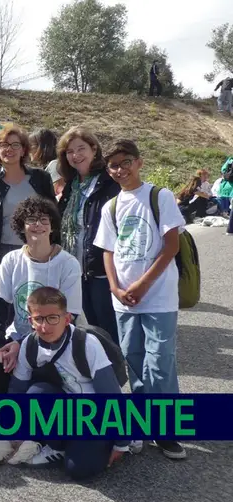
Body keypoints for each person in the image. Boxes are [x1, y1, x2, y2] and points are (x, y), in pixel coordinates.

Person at [93, 139, 187, 460]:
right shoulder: (112, 207)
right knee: (134, 361)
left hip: (158, 296)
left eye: (125, 162)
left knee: (160, 361)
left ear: (139, 162)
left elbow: (171, 246)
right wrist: (115, 289)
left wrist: (143, 285)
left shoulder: (159, 197)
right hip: (124, 299)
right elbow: (108, 250)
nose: (120, 169)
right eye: (113, 165)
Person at [8, 287, 129, 479]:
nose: (45, 327)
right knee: (36, 393)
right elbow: (17, 389)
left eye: (52, 318)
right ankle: (57, 445)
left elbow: (111, 394)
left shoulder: (86, 344)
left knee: (79, 470)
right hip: (66, 409)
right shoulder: (29, 345)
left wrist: (121, 442)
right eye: (39, 319)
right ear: (31, 321)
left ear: (66, 319)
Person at [0, 197, 83, 393]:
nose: (38, 225)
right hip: (17, 339)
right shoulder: (11, 260)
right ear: (21, 227)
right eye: (31, 220)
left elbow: (69, 319)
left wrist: (22, 346)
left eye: (44, 220)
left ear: (52, 226)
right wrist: (0, 347)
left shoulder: (68, 264)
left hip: (54, 343)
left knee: (40, 388)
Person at [0, 124, 56, 297]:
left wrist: (55, 250)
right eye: (4, 145)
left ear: (24, 149)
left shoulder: (41, 178)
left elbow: (54, 217)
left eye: (15, 145)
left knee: (34, 302)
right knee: (1, 305)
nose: (9, 149)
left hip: (36, 251)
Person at [56, 127, 121, 344]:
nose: (76, 155)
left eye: (81, 149)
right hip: (76, 267)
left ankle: (115, 370)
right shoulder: (72, 186)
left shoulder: (109, 183)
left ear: (94, 150)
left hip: (100, 267)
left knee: (108, 325)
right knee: (91, 324)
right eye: (70, 151)